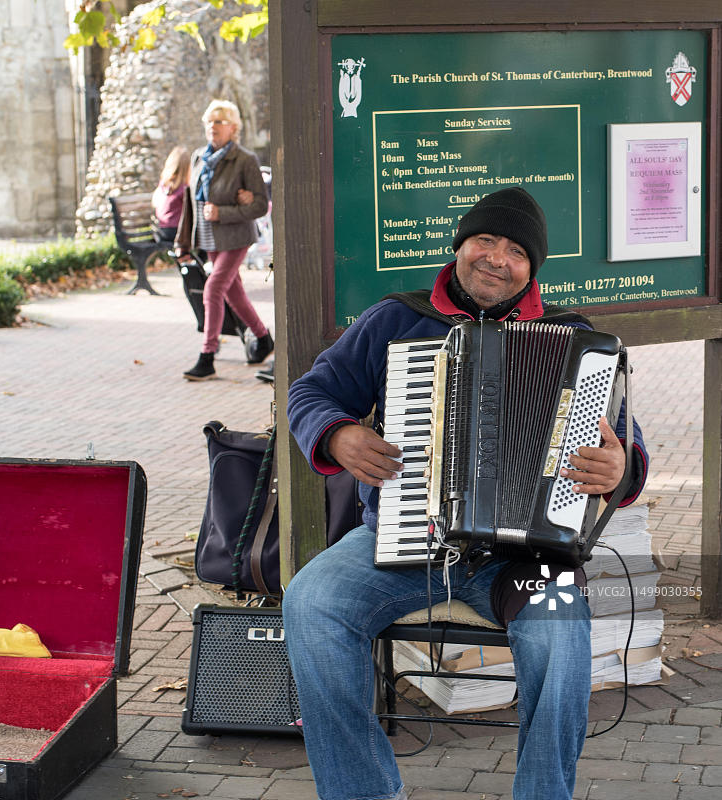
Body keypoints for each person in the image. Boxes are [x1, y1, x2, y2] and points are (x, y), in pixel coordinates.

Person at [283, 188, 649, 800]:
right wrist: (339, 435)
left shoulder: (576, 341)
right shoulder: (395, 321)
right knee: (311, 604)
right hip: (402, 536)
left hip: (528, 558)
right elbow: (309, 394)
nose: (496, 259)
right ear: (460, 246)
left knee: (560, 637)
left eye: (515, 251)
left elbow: (627, 446)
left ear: (532, 268)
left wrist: (619, 468)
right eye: (485, 241)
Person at [174, 99, 274, 381]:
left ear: (233, 127)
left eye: (219, 121)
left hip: (236, 235)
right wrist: (183, 241)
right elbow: (189, 203)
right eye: (209, 121)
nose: (213, 127)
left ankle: (207, 357)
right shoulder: (198, 158)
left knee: (213, 289)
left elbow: (258, 206)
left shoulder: (245, 159)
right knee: (234, 293)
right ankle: (264, 338)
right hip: (209, 237)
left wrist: (223, 211)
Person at [151, 146, 190, 247]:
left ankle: (189, 259)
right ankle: (199, 260)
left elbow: (155, 203)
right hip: (175, 231)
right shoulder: (184, 188)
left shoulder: (164, 184)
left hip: (162, 230)